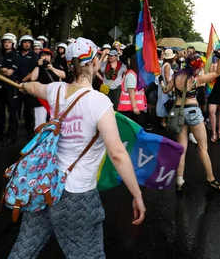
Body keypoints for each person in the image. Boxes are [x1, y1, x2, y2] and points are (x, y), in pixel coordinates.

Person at [9, 38, 146, 257]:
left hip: (44, 185)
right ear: (94, 63)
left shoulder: (55, 90)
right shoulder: (99, 102)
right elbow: (118, 154)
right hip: (77, 196)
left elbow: (35, 87)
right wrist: (137, 194)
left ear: (71, 64)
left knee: (24, 250)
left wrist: (23, 86)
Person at [162, 54, 220, 191]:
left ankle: (179, 181)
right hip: (193, 112)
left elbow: (166, 90)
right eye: (199, 67)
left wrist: (162, 83)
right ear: (194, 67)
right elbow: (218, 73)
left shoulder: (176, 76)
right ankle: (210, 179)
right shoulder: (197, 79)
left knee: (182, 149)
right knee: (203, 147)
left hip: (178, 112)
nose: (200, 69)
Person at [30, 48, 66, 128]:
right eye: (43, 55)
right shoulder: (37, 66)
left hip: (54, 97)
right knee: (40, 122)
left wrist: (52, 68)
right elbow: (33, 78)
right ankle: (39, 137)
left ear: (50, 57)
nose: (45, 57)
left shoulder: (55, 65)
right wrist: (38, 66)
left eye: (47, 55)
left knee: (55, 120)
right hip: (41, 98)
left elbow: (63, 75)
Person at [0, 33, 21, 147]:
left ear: (13, 43)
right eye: (5, 42)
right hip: (0, 86)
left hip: (11, 87)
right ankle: (0, 134)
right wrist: (4, 70)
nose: (7, 44)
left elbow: (9, 72)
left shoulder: (16, 56)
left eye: (9, 42)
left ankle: (12, 136)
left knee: (13, 112)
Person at [17, 35, 40, 139]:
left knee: (28, 110)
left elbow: (33, 72)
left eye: (29, 42)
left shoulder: (34, 55)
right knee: (15, 109)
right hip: (16, 85)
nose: (27, 44)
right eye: (25, 42)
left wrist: (22, 82)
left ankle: (30, 132)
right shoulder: (17, 55)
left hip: (27, 86)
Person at [117, 55, 148, 129]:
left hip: (133, 109)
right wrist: (134, 107)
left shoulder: (134, 74)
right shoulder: (131, 74)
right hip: (131, 110)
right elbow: (131, 92)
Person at [156, 49, 175, 128]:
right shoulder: (167, 65)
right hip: (166, 86)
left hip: (163, 85)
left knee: (164, 102)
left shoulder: (165, 64)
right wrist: (171, 86)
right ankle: (163, 121)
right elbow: (167, 78)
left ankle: (163, 120)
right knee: (165, 102)